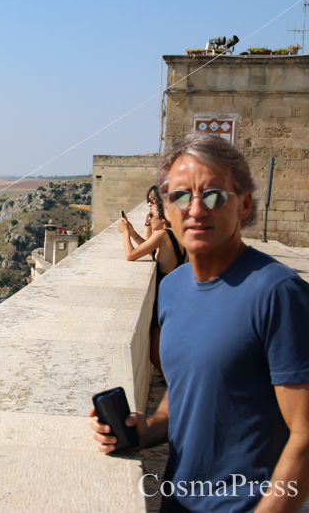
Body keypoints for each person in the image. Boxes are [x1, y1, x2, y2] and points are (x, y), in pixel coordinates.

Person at [90, 132, 309, 512]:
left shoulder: (278, 293)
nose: (196, 208)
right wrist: (147, 428)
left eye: (213, 195)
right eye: (179, 196)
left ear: (244, 205)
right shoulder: (173, 289)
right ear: (166, 209)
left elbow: (305, 435)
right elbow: (188, 391)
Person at [118, 198, 186, 376]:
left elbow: (131, 255)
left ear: (164, 218)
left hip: (163, 301)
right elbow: (151, 250)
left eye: (152, 215)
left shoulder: (162, 235)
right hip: (179, 298)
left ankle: (175, 386)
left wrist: (125, 233)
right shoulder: (178, 235)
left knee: (156, 356)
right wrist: (133, 233)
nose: (149, 219)